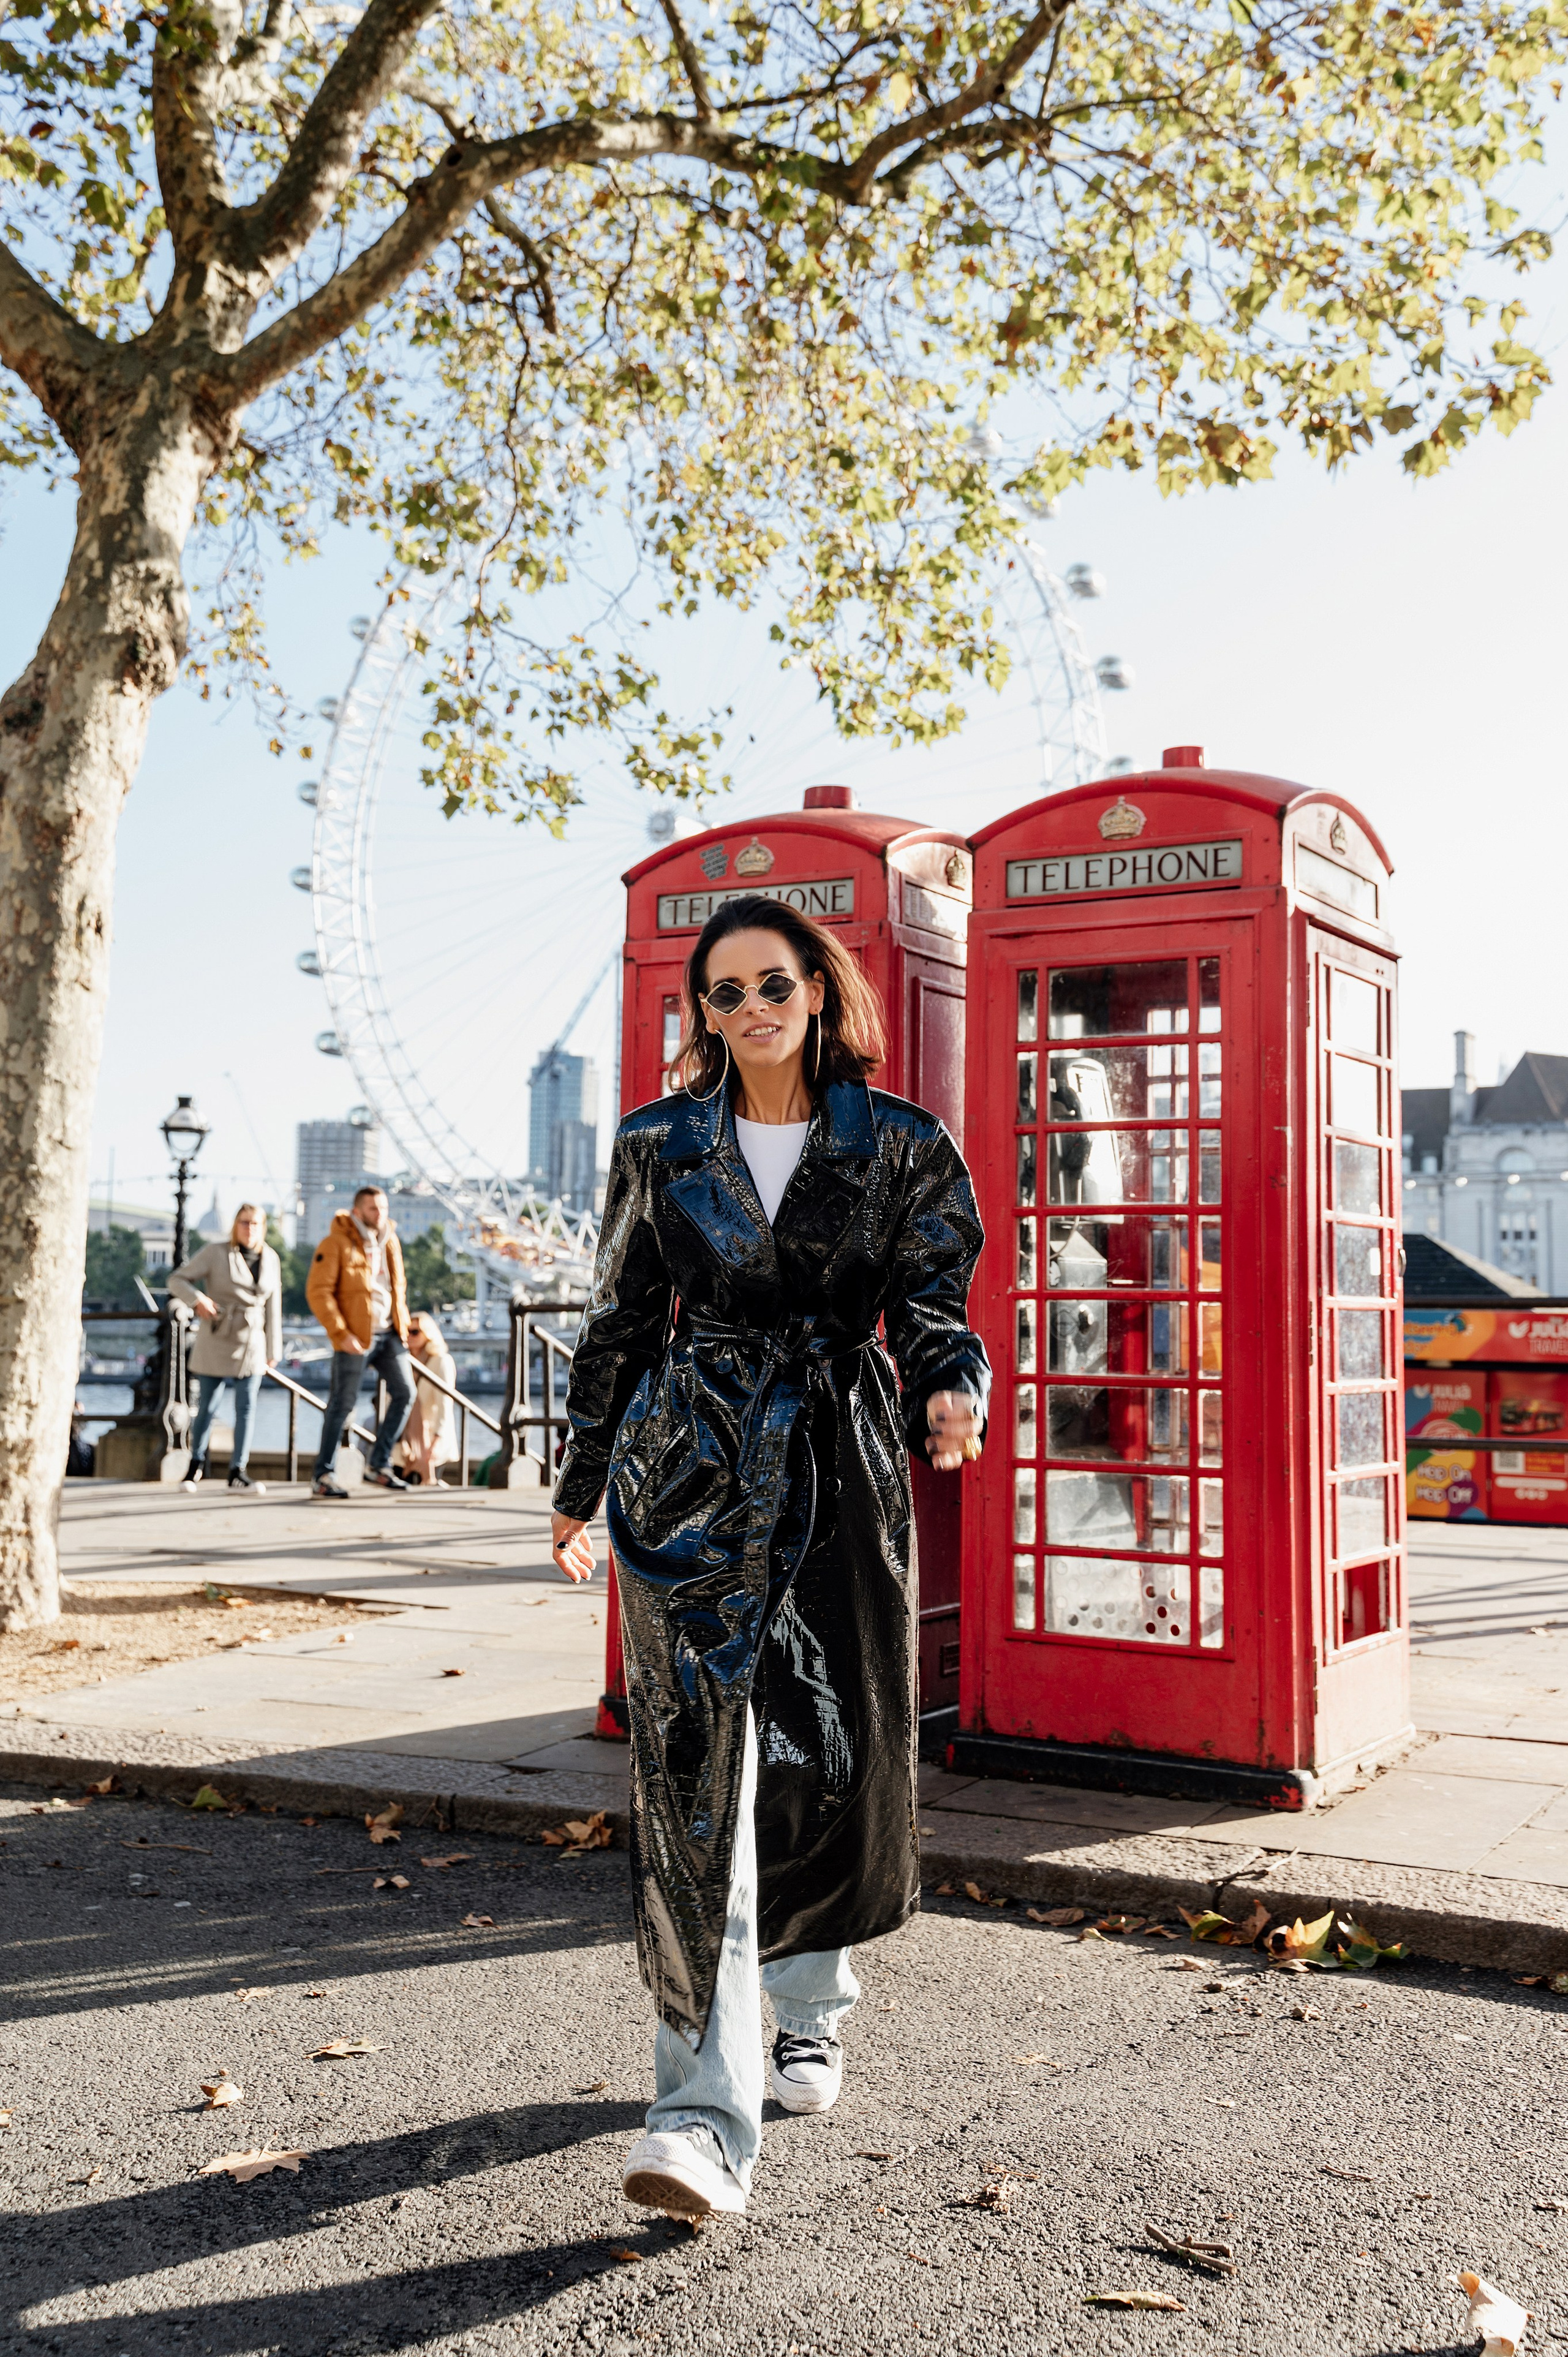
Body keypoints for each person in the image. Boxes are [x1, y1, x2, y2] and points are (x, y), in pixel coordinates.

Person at [550, 894, 989, 2224]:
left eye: (771, 986)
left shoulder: (899, 1142)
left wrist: (949, 1381)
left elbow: (931, 1298)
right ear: (701, 1011)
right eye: (722, 992)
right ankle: (696, 2118)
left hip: (840, 1467)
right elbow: (621, 1315)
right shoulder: (656, 1142)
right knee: (695, 1789)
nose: (748, 1010)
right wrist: (576, 1488)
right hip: (687, 1469)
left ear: (818, 992)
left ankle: (810, 2008)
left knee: (831, 1754)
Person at [305, 1183, 415, 1498]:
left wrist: (402, 1326)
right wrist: (342, 1334)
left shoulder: (390, 1240)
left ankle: (377, 1466)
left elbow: (398, 1287)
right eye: (372, 1208)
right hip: (355, 1338)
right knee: (342, 1405)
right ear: (357, 1211)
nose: (379, 1214)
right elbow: (318, 1292)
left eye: (383, 1208)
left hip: (390, 1334)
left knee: (405, 1393)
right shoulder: (336, 1242)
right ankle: (322, 1476)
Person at [168, 1204, 282, 1492]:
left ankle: (238, 1470)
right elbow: (176, 1279)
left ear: (263, 1226)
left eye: (255, 1223)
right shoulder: (216, 1252)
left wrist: (274, 1349)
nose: (250, 1228)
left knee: (247, 1407)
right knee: (207, 1406)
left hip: (253, 1340)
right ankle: (195, 1466)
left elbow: (274, 1307)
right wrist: (198, 1301)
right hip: (218, 1334)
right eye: (244, 1222)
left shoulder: (271, 1258)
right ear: (235, 1225)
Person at [396, 1311, 458, 1486]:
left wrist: (437, 1440)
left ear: (429, 1333)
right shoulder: (402, 1361)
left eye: (415, 1332)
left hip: (430, 1437)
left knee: (428, 1486)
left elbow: (445, 1402)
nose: (410, 1336)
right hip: (404, 1440)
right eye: (406, 1331)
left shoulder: (441, 1361)